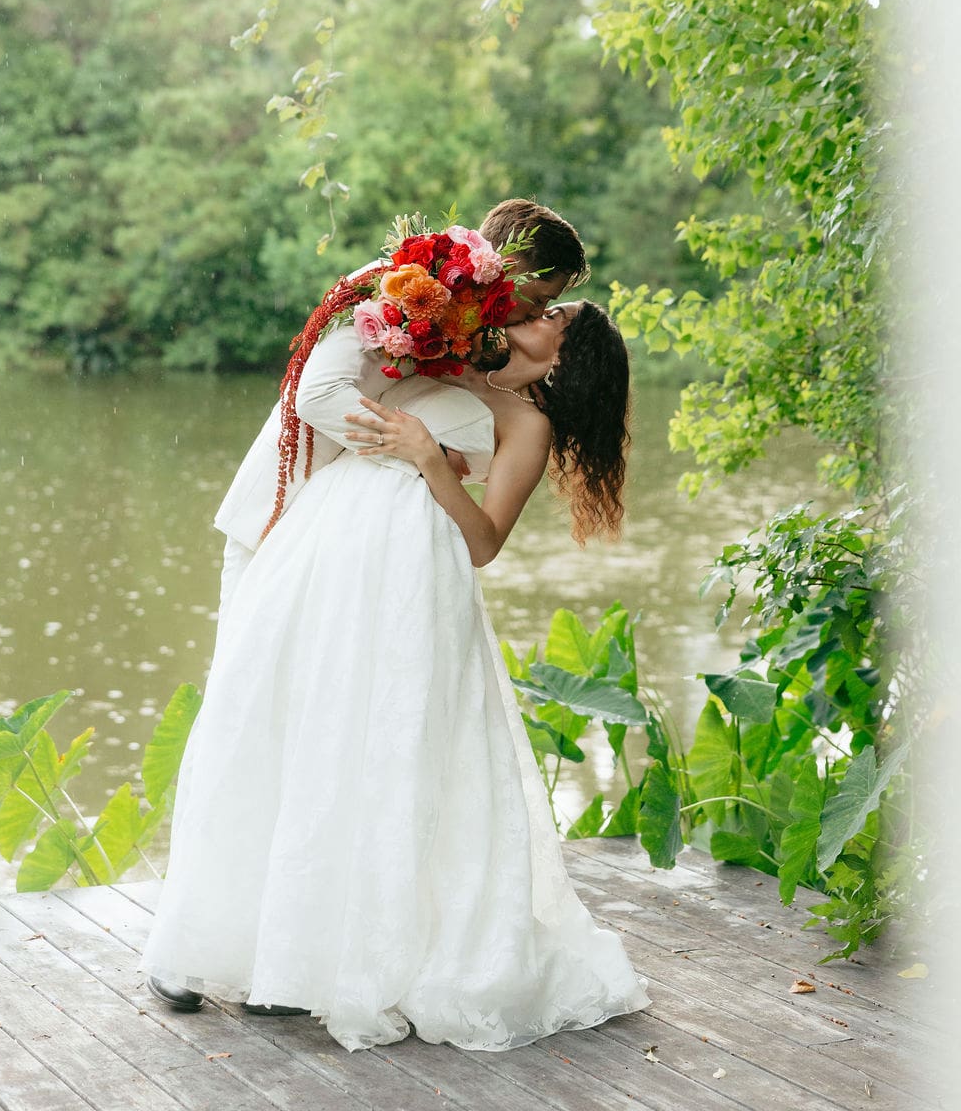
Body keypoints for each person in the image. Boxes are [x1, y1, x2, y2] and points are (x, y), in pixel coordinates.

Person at [139, 276, 651, 1052]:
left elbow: (484, 541)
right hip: (325, 537)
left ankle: (316, 963)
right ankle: (202, 941)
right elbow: (336, 393)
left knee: (375, 748)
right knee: (264, 717)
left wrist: (429, 459)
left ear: (565, 359)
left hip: (414, 567)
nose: (536, 316)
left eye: (555, 319)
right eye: (546, 305)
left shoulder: (528, 423)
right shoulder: (444, 354)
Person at [211, 200, 589, 618]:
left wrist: (430, 457)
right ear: (511, 265)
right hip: (277, 512)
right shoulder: (395, 284)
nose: (534, 313)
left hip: (342, 539)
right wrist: (429, 455)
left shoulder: (471, 330)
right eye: (540, 299)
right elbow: (317, 395)